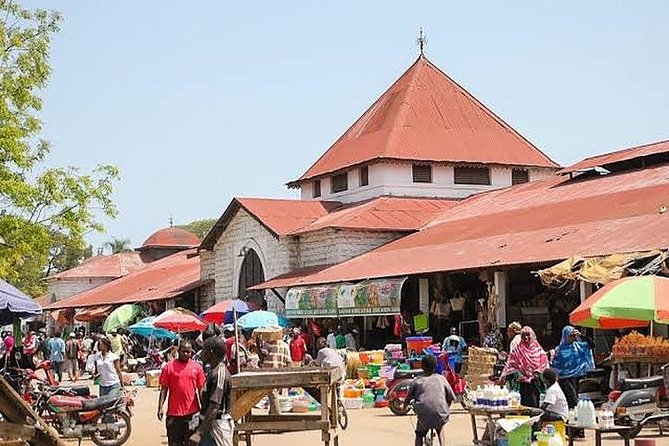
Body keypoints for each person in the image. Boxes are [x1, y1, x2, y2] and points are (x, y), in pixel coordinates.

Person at [157, 340, 206, 446]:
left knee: (192, 442)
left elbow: (201, 389)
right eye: (183, 351)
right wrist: (160, 407)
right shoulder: (168, 367)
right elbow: (164, 389)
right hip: (174, 415)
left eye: (188, 352)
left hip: (192, 414)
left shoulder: (197, 367)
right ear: (178, 351)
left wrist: (204, 408)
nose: (186, 354)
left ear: (191, 352)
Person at [188, 337, 233, 446]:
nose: (201, 352)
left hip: (217, 425)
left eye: (204, 349)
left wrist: (199, 433)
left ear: (211, 352)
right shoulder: (213, 371)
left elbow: (214, 407)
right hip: (208, 424)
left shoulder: (219, 374)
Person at [551, 325, 594, 438]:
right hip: (564, 379)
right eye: (570, 336)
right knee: (572, 403)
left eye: (573, 336)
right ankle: (572, 429)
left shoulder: (578, 346)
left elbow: (591, 344)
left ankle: (578, 430)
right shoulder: (559, 350)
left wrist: (581, 336)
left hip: (576, 378)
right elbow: (555, 365)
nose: (572, 338)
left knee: (576, 404)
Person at [405, 355, 456, 446]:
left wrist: (405, 406)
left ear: (422, 367)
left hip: (424, 414)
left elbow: (408, 398)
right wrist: (446, 408)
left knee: (419, 434)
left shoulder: (417, 381)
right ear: (436, 366)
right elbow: (451, 397)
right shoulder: (441, 379)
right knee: (440, 429)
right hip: (441, 413)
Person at [500, 326, 549, 408]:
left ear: (532, 336)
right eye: (523, 335)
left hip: (535, 384)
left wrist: (538, 372)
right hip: (521, 384)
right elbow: (510, 366)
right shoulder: (516, 350)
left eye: (528, 335)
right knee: (522, 407)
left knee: (534, 406)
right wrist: (518, 374)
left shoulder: (539, 350)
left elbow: (545, 364)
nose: (526, 337)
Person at [262, 337, 291, 415]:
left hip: (269, 372)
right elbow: (289, 361)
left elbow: (262, 357)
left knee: (273, 394)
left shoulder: (268, 344)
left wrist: (259, 345)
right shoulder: (285, 345)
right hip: (281, 372)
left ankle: (277, 415)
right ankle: (272, 413)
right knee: (274, 393)